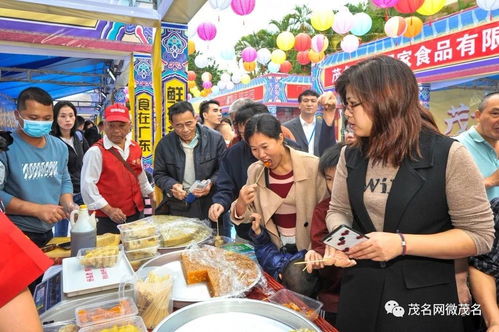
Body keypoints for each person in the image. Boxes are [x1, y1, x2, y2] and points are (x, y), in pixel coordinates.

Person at [308, 55, 494, 332]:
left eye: (353, 104)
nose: (346, 113)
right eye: (346, 104)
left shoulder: (447, 154)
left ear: (387, 101)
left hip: (421, 300)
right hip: (361, 292)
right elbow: (339, 211)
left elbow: (479, 236)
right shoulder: (352, 155)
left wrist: (402, 243)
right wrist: (341, 239)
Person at [230, 113, 328, 261]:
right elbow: (248, 214)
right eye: (254, 149)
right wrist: (241, 204)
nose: (261, 155)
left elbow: (326, 209)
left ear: (280, 138)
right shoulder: (255, 171)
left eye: (265, 146)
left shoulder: (312, 166)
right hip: (276, 251)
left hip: (310, 250)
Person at [208, 103, 303, 240]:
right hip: (248, 232)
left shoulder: (294, 152)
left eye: (264, 145)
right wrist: (220, 203)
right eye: (243, 134)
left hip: (289, 232)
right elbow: (225, 186)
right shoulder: (234, 154)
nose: (261, 153)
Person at [0, 87, 74, 247]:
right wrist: (37, 210)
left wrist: (68, 204)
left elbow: (64, 179)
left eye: (47, 118)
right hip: (15, 233)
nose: (41, 123)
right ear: (17, 116)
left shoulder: (59, 147)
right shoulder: (5, 148)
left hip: (47, 232)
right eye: (33, 117)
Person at [81, 104, 155, 234]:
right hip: (106, 218)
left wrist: (151, 195)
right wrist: (109, 210)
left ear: (129, 126)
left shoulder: (135, 147)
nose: (116, 130)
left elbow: (140, 175)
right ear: (103, 126)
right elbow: (87, 186)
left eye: (121, 126)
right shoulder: (96, 152)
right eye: (111, 125)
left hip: (135, 213)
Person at [154, 101, 226, 220]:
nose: (185, 130)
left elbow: (224, 169)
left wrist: (211, 182)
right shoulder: (164, 145)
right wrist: (172, 185)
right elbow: (159, 174)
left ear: (196, 118)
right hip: (179, 206)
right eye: (179, 125)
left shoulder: (215, 139)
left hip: (209, 204)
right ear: (172, 124)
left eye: (189, 123)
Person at [306, 143, 344, 325]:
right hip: (332, 299)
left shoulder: (370, 209)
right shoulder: (322, 210)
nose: (334, 185)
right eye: (329, 179)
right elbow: (319, 247)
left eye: (341, 178)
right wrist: (316, 255)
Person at [51, 101, 89, 236]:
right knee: (61, 233)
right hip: (62, 195)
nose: (67, 119)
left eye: (71, 115)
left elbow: (87, 161)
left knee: (84, 229)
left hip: (82, 191)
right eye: (62, 116)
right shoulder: (51, 141)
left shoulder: (79, 137)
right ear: (55, 118)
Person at [456, 92, 499, 201]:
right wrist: (491, 181)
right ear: (478, 116)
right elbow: (446, 194)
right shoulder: (456, 146)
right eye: (495, 113)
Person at [283, 89, 337, 156]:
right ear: (299, 105)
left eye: (313, 101)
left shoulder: (324, 125)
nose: (309, 104)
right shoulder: (287, 127)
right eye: (306, 101)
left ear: (318, 105)